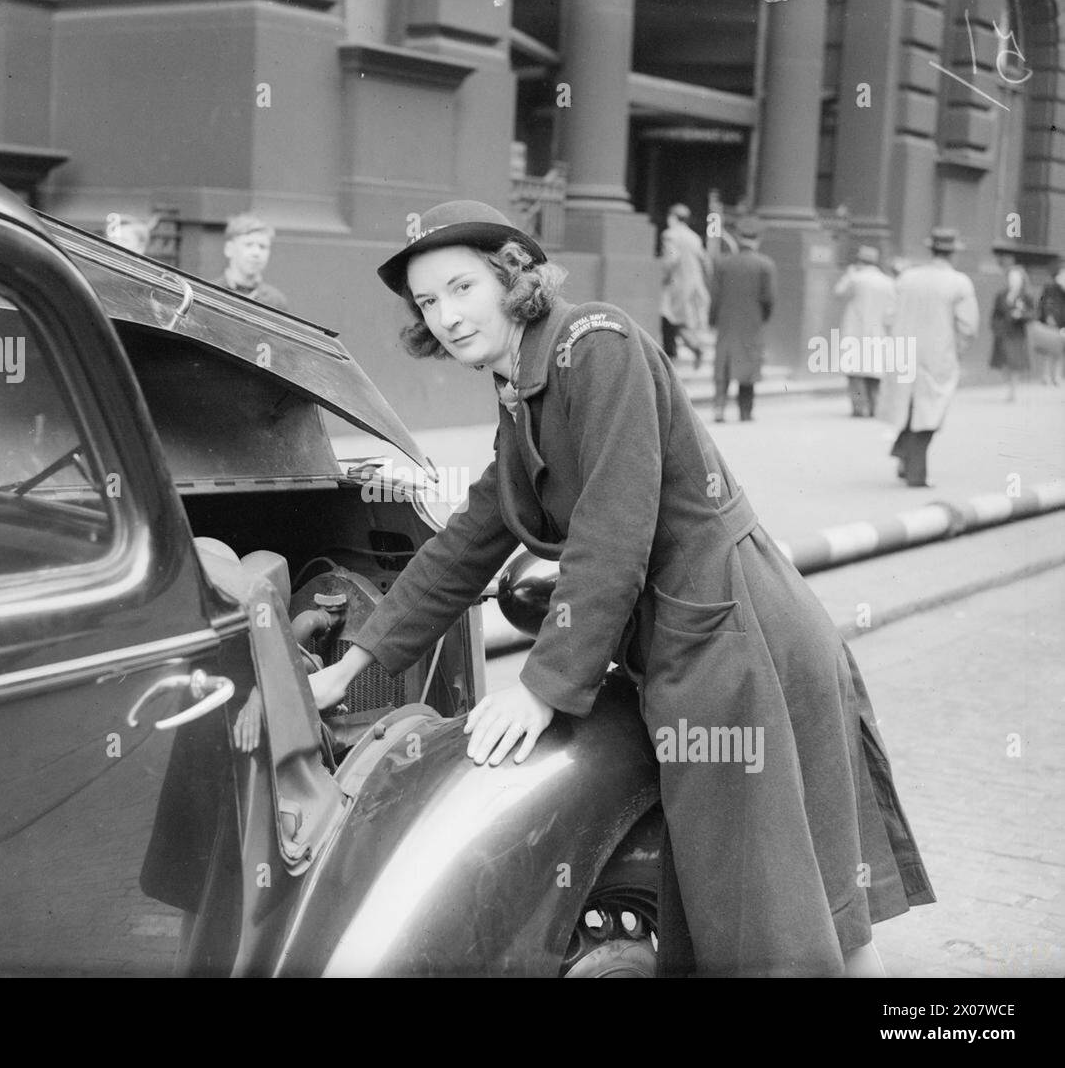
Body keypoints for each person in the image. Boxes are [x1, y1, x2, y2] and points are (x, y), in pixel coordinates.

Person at [308, 199, 935, 977]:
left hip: (738, 641)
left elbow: (613, 531)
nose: (446, 315)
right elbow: (470, 540)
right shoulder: (521, 390)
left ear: (512, 277)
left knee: (777, 917)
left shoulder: (592, 344)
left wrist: (541, 687)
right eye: (428, 302)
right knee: (798, 904)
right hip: (699, 645)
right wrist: (354, 660)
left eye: (462, 287)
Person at [880, 228, 979, 488]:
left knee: (909, 407)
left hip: (904, 351)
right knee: (929, 413)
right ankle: (916, 473)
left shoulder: (907, 277)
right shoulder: (959, 282)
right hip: (937, 354)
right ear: (953, 252)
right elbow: (969, 326)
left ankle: (903, 456)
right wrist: (957, 350)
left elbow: (888, 317)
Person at [709, 216, 775, 422]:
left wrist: (713, 319)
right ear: (758, 238)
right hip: (752, 322)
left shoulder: (723, 262)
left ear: (738, 237)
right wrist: (763, 317)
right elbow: (769, 298)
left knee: (723, 363)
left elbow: (715, 295)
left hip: (727, 321)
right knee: (749, 363)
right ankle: (745, 411)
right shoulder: (766, 265)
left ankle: (719, 408)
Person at [834, 245, 895, 417]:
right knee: (874, 373)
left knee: (855, 373)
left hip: (855, 331)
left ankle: (859, 407)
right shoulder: (887, 282)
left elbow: (839, 292)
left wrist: (850, 273)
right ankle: (875, 406)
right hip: (879, 332)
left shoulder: (855, 278)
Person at [658, 204, 711, 368]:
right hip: (692, 285)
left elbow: (672, 259)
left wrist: (663, 275)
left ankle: (671, 356)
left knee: (668, 319)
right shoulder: (694, 237)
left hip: (676, 285)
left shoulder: (670, 235)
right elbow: (705, 261)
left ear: (673, 217)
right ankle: (693, 348)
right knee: (678, 321)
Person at [210, 213, 289, 311]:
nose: (256, 253)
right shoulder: (211, 293)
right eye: (248, 245)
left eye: (262, 246)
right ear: (229, 249)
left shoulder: (276, 301)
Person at [989, 263, 1034, 401]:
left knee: (1015, 363)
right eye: (1011, 277)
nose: (1013, 280)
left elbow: (1033, 314)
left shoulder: (1026, 296)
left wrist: (1021, 315)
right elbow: (995, 314)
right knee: (1003, 364)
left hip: (1017, 333)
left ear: (1021, 279)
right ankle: (1009, 385)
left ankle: (1012, 391)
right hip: (1003, 333)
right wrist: (996, 327)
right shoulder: (1001, 295)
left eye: (1016, 277)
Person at [1033, 259, 1065, 386]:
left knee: (1061, 350)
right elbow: (1043, 302)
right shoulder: (1049, 288)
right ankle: (1046, 376)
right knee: (1049, 349)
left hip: (1063, 324)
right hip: (1052, 323)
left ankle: (1057, 376)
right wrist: (1048, 316)